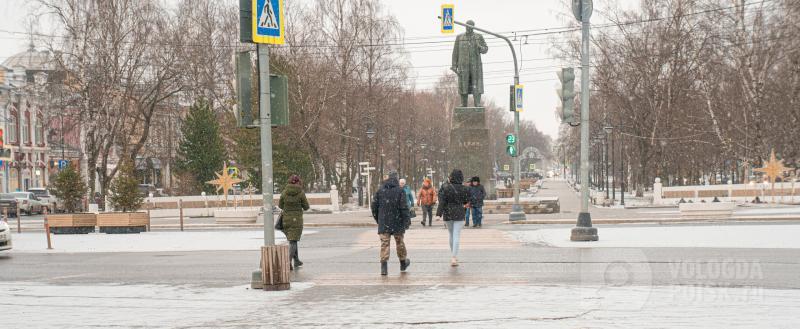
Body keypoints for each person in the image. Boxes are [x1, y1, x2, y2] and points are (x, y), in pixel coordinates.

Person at [372, 171, 412, 276]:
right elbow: (404, 208)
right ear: (397, 179)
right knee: (399, 242)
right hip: (397, 221)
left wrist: (379, 219)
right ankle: (403, 263)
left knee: (384, 243)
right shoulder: (400, 191)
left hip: (384, 221)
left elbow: (374, 207)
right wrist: (406, 221)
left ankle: (384, 267)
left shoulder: (380, 190)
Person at [436, 169, 470, 266]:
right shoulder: (464, 188)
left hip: (448, 213)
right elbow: (466, 200)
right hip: (459, 212)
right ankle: (454, 257)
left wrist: (438, 214)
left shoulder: (446, 188)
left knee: (451, 234)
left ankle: (453, 255)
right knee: (456, 235)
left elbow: (442, 202)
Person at [279, 175, 310, 270]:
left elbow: (280, 205)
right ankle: (288, 262)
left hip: (286, 220)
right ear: (298, 182)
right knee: (293, 241)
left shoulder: (284, 192)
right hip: (296, 220)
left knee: (293, 240)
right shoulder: (300, 193)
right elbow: (306, 207)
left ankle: (296, 261)